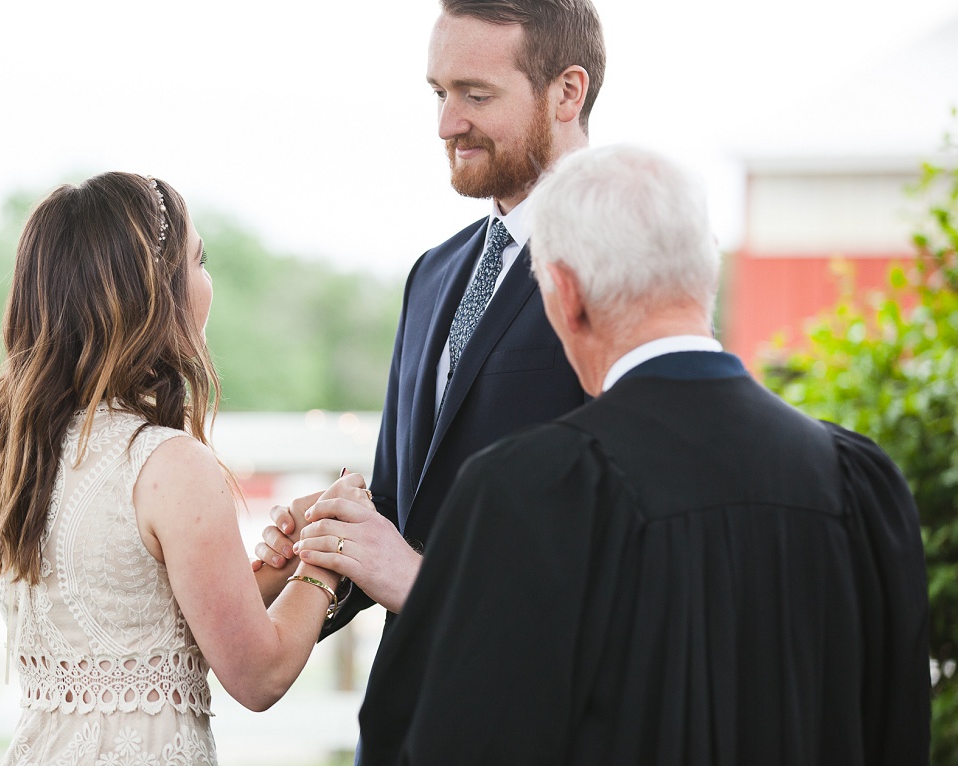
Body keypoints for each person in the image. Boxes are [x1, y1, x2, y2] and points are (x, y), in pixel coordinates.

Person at [295, 145, 931, 764]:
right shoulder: (856, 478)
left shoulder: (531, 487)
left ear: (565, 294)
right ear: (704, 267)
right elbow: (896, 730)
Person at [254, 0, 602, 624]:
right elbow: (403, 506)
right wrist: (329, 544)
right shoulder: (435, 273)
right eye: (439, 93)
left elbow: (619, 540)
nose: (446, 124)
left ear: (567, 93)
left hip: (534, 714)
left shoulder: (626, 269)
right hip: (406, 715)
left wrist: (417, 579)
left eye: (475, 94)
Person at [0, 172, 338, 765]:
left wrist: (280, 566)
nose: (207, 282)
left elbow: (145, 622)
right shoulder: (166, 462)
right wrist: (327, 560)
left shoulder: (10, 456)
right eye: (199, 260)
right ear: (152, 291)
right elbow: (259, 675)